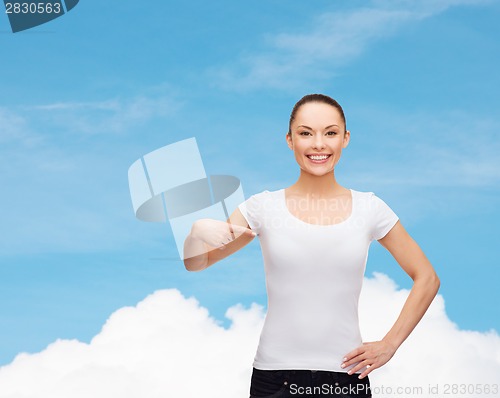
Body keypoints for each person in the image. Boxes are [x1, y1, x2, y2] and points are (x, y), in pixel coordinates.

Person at [183, 94, 440, 398]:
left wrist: (390, 344)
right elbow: (196, 262)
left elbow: (427, 277)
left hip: (346, 378)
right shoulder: (262, 208)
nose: (318, 144)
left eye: (330, 133)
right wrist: (196, 234)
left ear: (345, 139)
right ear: (290, 140)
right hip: (274, 378)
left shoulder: (370, 208)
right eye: (306, 133)